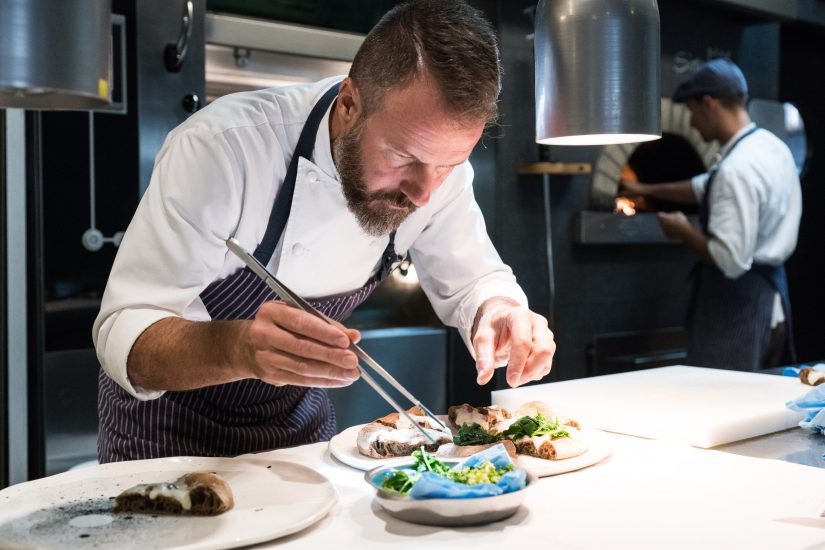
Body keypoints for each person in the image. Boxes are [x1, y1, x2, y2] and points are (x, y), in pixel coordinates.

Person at [92, 0, 556, 463]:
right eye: (403, 158)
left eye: (448, 165)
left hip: (297, 438)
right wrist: (239, 349)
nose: (422, 194)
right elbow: (127, 330)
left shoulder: (434, 170)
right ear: (349, 103)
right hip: (167, 438)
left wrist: (499, 313)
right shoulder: (223, 149)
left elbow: (473, 281)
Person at [621, 58, 802, 372]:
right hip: (774, 300)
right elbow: (704, 186)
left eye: (692, 112)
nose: (692, 123)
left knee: (723, 395)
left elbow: (730, 259)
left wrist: (683, 230)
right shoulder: (771, 148)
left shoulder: (736, 169)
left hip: (739, 307)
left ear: (709, 104)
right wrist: (642, 188)